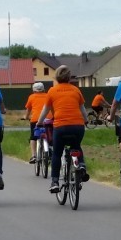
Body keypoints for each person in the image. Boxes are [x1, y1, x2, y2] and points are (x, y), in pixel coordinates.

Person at [36, 65, 88, 193]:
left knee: (57, 153)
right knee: (76, 145)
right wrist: (86, 120)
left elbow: (45, 110)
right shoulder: (76, 90)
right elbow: (82, 109)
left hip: (60, 127)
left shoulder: (52, 91)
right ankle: (81, 165)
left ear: (56, 77)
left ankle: (54, 182)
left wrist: (39, 122)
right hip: (78, 126)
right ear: (69, 77)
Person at [25, 82, 49, 164]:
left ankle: (34, 155)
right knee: (50, 135)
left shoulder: (32, 97)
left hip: (35, 119)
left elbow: (28, 109)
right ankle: (49, 151)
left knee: (33, 137)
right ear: (43, 89)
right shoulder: (48, 96)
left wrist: (26, 117)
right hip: (48, 119)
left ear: (33, 90)